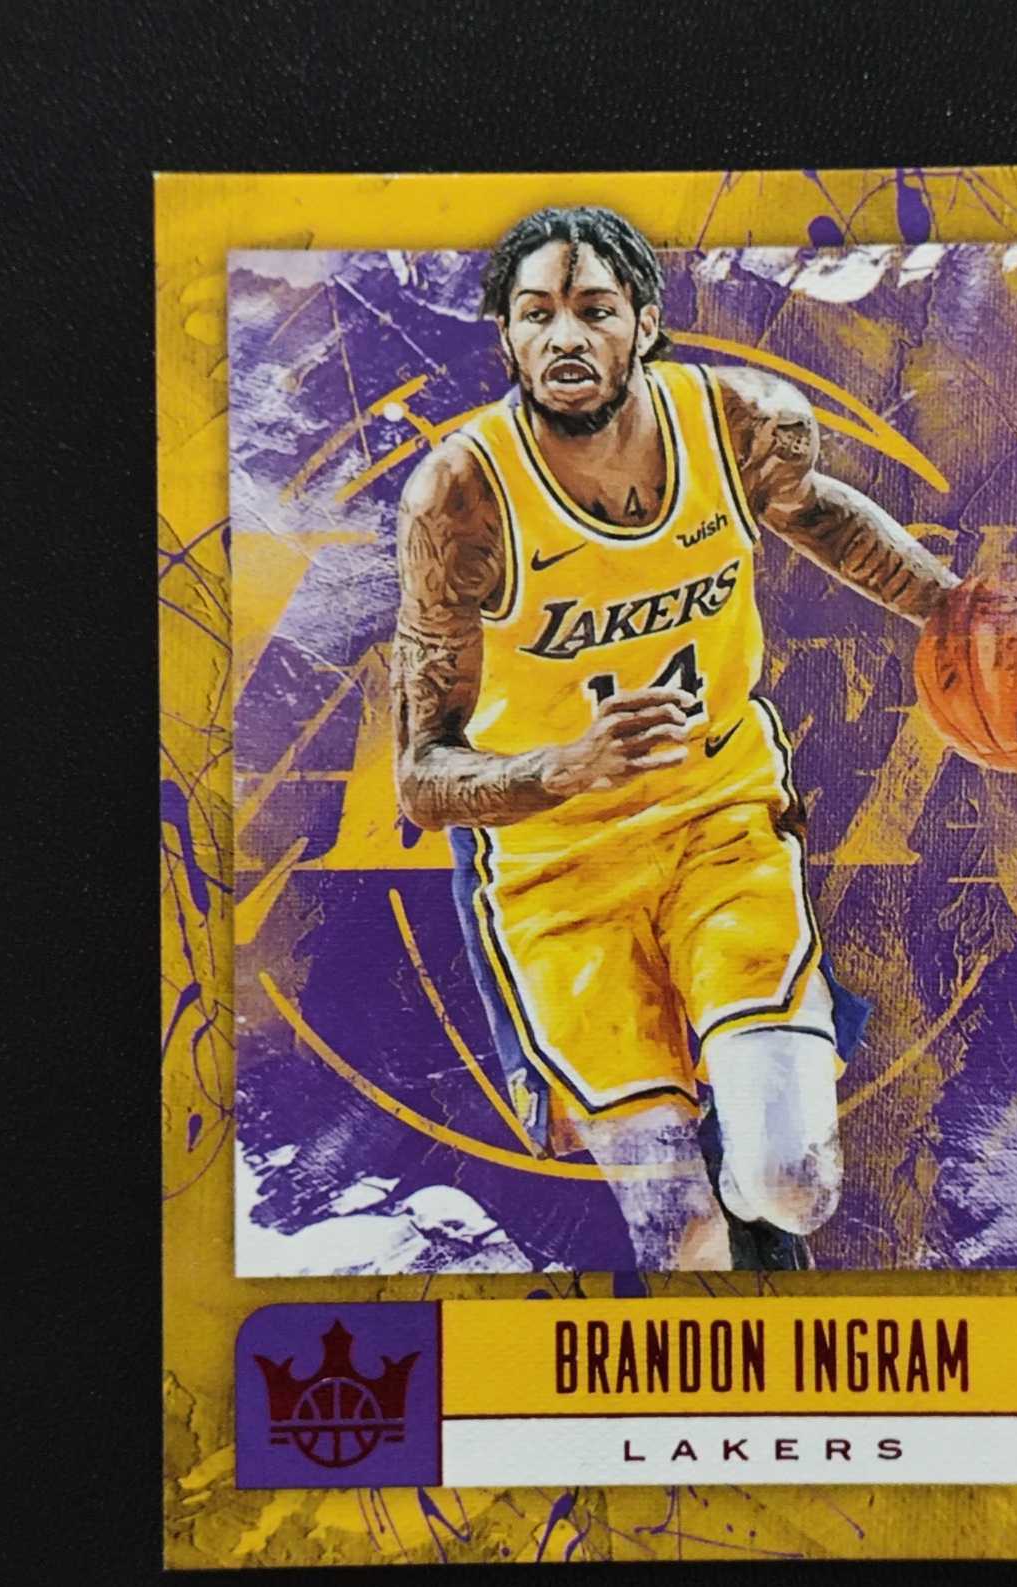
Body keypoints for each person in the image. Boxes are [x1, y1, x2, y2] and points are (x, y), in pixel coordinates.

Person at [390, 206, 958, 1270]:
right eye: (536, 314)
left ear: (644, 323)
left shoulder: (741, 421)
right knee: (684, 1240)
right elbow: (420, 779)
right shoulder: (460, 499)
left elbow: (816, 512)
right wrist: (566, 766)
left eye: (594, 309)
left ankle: (752, 1142)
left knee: (793, 1187)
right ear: (506, 336)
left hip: (719, 822)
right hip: (560, 878)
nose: (565, 337)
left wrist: (958, 610)